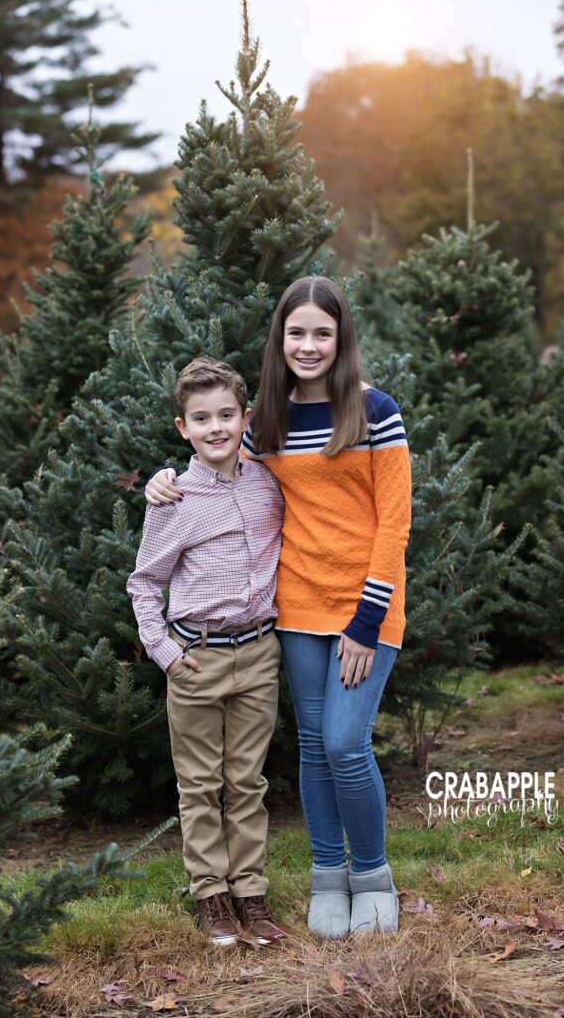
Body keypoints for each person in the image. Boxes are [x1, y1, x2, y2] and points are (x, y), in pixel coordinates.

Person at [145, 276, 412, 939]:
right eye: (297, 332)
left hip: (365, 610)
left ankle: (371, 876)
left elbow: (393, 525)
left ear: (340, 337)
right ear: (280, 339)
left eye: (323, 332)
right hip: (294, 609)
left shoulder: (375, 411)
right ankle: (327, 875)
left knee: (346, 743)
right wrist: (160, 480)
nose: (309, 345)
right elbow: (216, 465)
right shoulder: (266, 419)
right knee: (315, 752)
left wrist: (365, 621)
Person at [127, 357, 288, 947]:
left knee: (247, 782)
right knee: (200, 785)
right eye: (202, 418)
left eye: (226, 414)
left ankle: (251, 893)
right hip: (197, 658)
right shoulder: (174, 499)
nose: (216, 427)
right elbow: (144, 583)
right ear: (183, 427)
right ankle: (212, 898)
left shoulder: (268, 481)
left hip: (258, 654)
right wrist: (164, 651)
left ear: (245, 418)